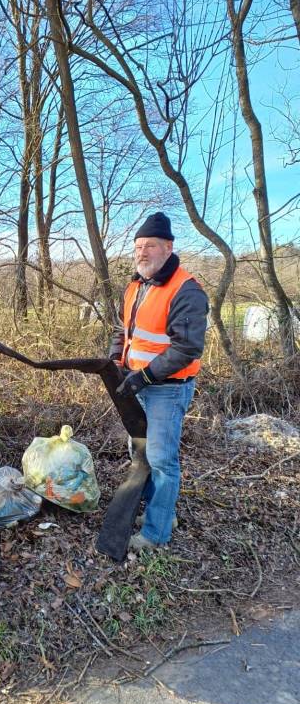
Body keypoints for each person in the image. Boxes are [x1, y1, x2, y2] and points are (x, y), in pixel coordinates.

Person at [109, 212, 209, 550]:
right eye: (138, 246)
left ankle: (156, 532)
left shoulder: (187, 290)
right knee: (141, 453)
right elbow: (124, 331)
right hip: (135, 384)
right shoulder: (136, 285)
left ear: (168, 247)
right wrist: (114, 361)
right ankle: (159, 511)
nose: (141, 252)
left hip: (166, 389)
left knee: (162, 459)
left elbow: (188, 347)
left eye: (149, 245)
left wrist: (146, 376)